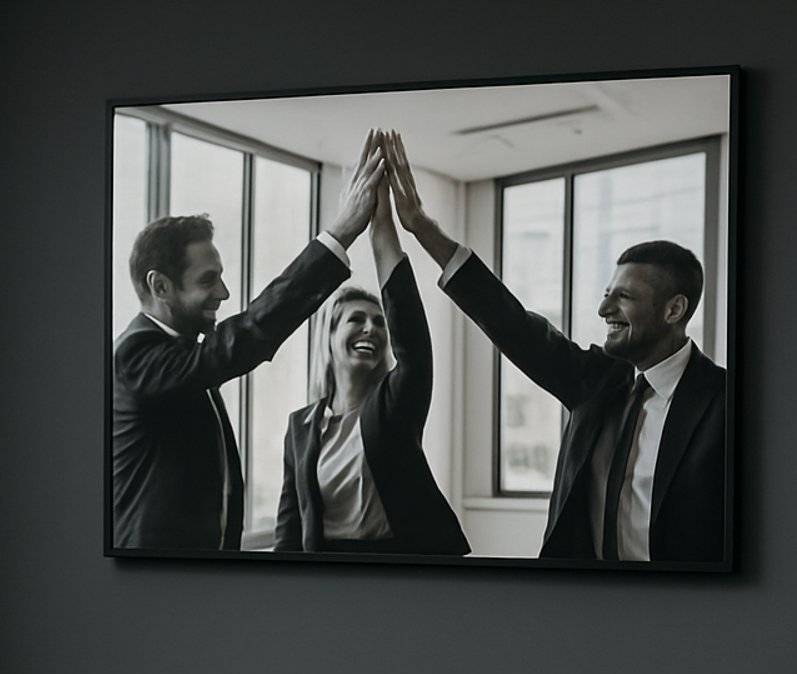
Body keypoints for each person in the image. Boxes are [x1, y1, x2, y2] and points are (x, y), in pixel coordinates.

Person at [382, 132, 729, 564]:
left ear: (674, 309)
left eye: (623, 297)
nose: (604, 308)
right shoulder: (596, 380)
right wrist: (421, 228)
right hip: (582, 605)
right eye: (606, 293)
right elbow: (514, 325)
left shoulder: (724, 403)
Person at [111, 132, 387, 551]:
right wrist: (339, 235)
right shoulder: (137, 356)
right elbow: (245, 339)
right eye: (208, 280)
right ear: (160, 286)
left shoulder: (179, 354)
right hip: (156, 584)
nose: (223, 293)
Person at [274, 168, 468, 557]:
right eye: (356, 320)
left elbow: (411, 338)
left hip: (398, 565)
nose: (371, 329)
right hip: (326, 574)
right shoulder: (302, 426)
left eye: (379, 322)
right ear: (329, 339)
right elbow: (289, 526)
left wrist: (382, 225)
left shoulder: (397, 403)